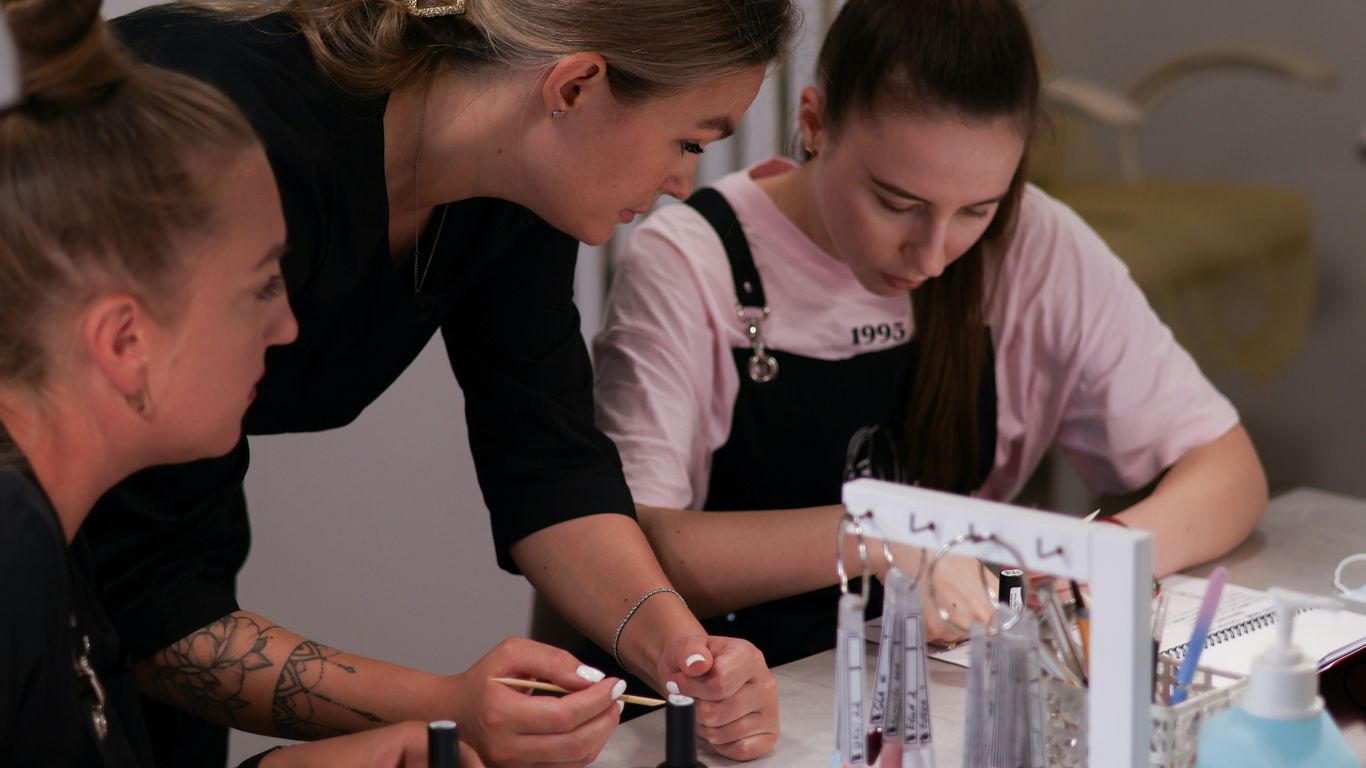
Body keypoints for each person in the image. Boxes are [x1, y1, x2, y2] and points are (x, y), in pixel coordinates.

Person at [81, 0, 795, 765]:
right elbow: (143, 596)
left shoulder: (519, 182)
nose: (683, 184)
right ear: (577, 86)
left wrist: (679, 649)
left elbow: (549, 463)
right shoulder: (231, 138)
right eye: (688, 141)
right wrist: (451, 709)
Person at [591, 0, 1268, 670]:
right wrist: (884, 539)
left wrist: (1102, 554)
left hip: (939, 683)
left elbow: (1229, 471)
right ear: (815, 122)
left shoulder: (1033, 242)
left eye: (977, 209)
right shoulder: (691, 262)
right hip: (732, 685)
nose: (934, 255)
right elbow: (636, 553)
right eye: (896, 203)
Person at [0, 0, 494, 764]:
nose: (289, 327)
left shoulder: (50, 540)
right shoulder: (13, 554)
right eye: (263, 285)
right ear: (126, 340)